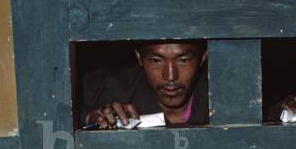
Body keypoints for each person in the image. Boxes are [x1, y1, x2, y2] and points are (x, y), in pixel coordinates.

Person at [80, 40, 209, 129]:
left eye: (184, 60)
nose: (170, 76)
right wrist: (91, 119)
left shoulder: (221, 93)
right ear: (139, 58)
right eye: (155, 60)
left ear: (203, 57)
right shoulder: (106, 86)